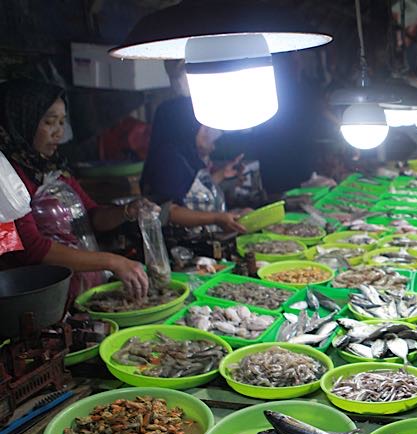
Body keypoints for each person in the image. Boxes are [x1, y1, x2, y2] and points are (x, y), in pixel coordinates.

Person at [0, 79, 148, 299]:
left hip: (81, 291)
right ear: (22, 121)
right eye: (50, 122)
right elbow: (30, 249)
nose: (58, 132)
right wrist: (113, 261)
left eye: (62, 122)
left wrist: (126, 211)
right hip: (37, 300)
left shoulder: (52, 170)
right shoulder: (6, 180)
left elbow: (91, 215)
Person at [141, 96, 246, 234]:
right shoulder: (169, 161)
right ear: (185, 126)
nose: (208, 132)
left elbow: (189, 192)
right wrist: (217, 218)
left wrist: (222, 175)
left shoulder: (187, 157)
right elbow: (166, 211)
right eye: (202, 126)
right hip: (185, 248)